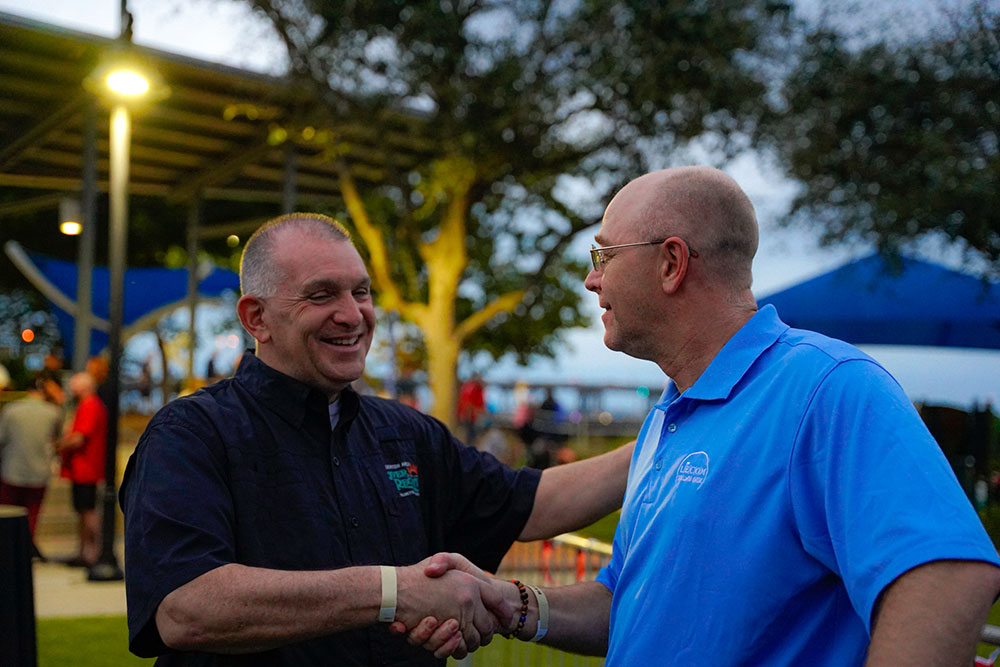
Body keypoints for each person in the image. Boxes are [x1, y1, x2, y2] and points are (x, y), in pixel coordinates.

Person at [407, 166, 1000, 664]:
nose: (591, 279)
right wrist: (514, 603)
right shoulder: (668, 416)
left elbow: (948, 574)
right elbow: (630, 601)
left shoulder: (826, 387)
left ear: (671, 263)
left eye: (603, 254)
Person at [119, 213, 634, 665]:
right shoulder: (191, 434)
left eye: (361, 292)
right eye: (321, 295)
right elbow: (185, 608)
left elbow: (533, 503)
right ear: (257, 318)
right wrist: (394, 592)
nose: (352, 314)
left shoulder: (406, 433)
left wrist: (665, 438)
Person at [0, 373, 63, 559]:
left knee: (8, 513)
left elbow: (2, 438)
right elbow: (57, 440)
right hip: (39, 471)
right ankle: (25, 548)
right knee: (32, 514)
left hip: (12, 469)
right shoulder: (53, 412)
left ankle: (7, 549)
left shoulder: (11, 410)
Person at [57, 371, 107, 568]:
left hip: (86, 468)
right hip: (83, 468)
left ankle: (92, 553)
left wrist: (59, 445)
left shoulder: (90, 405)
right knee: (84, 511)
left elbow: (79, 437)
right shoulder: (90, 405)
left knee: (88, 512)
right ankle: (85, 552)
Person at [455, 373, 486, 445]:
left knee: (470, 437)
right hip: (469, 417)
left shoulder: (470, 387)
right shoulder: (472, 388)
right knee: (469, 438)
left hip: (470, 417)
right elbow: (468, 404)